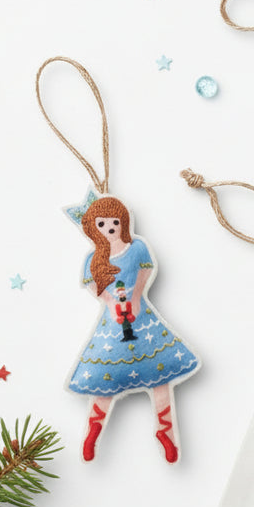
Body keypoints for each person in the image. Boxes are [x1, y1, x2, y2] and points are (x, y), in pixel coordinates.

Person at [70, 196, 199, 463]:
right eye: (103, 223)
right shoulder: (93, 259)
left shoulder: (137, 247)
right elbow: (94, 288)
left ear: (124, 222)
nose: (110, 227)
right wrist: (109, 302)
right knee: (104, 378)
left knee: (161, 374)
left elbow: (144, 271)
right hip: (112, 323)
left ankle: (166, 432)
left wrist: (136, 297)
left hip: (142, 318)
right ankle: (93, 431)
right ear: (94, 228)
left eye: (115, 221)